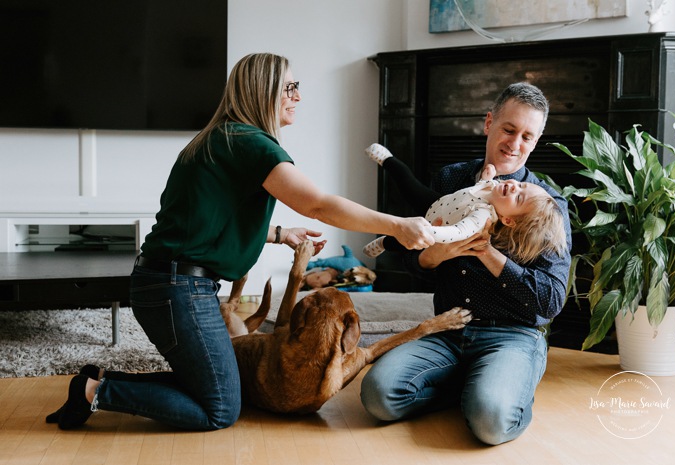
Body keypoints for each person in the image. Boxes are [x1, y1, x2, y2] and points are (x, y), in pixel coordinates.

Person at [46, 52, 434, 431]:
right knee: (220, 409)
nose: (298, 96)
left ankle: (99, 380)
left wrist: (280, 234)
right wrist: (398, 224)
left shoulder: (222, 138)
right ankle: (96, 391)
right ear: (263, 91)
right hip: (177, 289)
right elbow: (317, 204)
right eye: (290, 87)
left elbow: (208, 223)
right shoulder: (251, 144)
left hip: (167, 283)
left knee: (216, 387)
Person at [360, 82, 572, 445]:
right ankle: (468, 388)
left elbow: (551, 301)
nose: (515, 144)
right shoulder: (451, 179)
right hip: (448, 326)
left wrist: (489, 254)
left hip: (513, 335)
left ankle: (489, 393)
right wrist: (433, 255)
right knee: (378, 396)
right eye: (508, 129)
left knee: (491, 423)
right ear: (488, 122)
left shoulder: (546, 207)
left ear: (535, 141)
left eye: (527, 136)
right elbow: (418, 258)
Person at [361, 144, 567, 264]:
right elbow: (484, 184)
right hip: (437, 202)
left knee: (400, 241)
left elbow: (456, 233)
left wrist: (430, 231)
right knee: (408, 182)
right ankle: (388, 160)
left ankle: (383, 243)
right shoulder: (493, 189)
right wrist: (488, 175)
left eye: (519, 198)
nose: (514, 186)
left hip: (431, 223)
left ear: (507, 219)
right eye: (521, 185)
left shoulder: (482, 219)